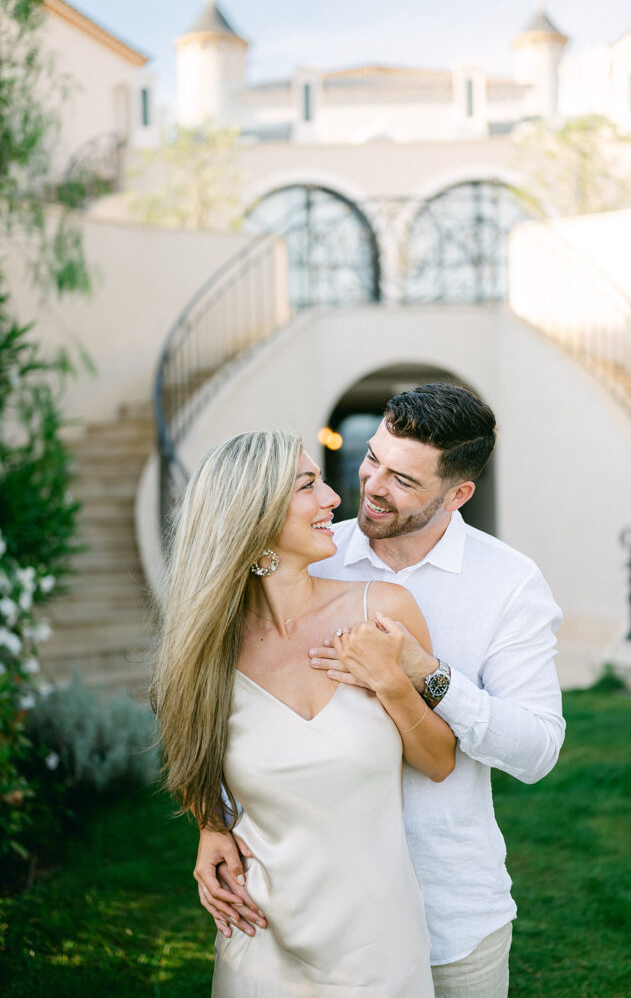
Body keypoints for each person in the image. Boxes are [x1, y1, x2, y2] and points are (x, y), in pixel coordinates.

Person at [195, 384, 565, 998]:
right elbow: (225, 704)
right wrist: (214, 820)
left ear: (458, 494)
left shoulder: (509, 584)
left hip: (451, 914)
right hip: (305, 910)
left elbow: (537, 751)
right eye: (373, 459)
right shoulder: (310, 553)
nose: (370, 486)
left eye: (403, 480)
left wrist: (427, 674)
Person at [151, 429, 456, 998]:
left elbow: (439, 762)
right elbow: (191, 755)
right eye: (307, 485)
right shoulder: (208, 649)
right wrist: (210, 826)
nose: (334, 499)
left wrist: (390, 681)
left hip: (380, 946)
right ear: (255, 515)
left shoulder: (381, 609)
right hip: (257, 941)